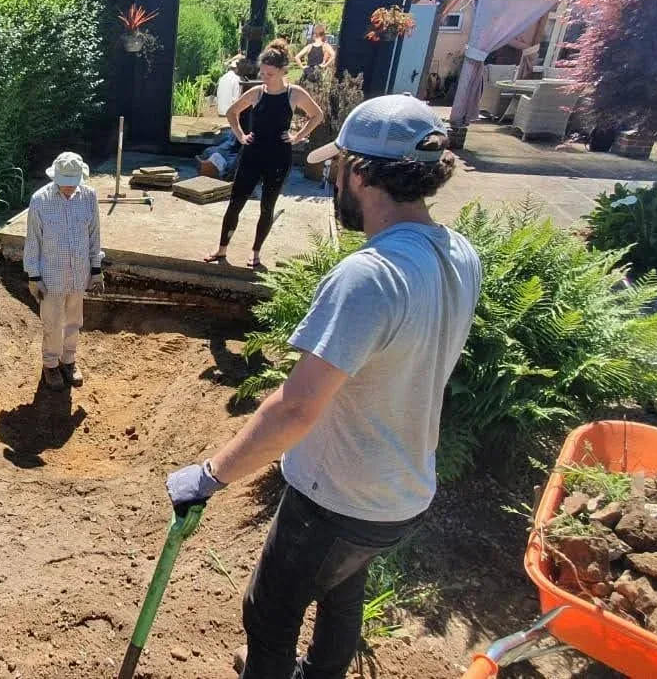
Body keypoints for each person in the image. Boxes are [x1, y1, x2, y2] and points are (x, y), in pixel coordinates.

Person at [167, 94, 483, 679]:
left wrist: (208, 476)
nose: (330, 177)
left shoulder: (371, 276)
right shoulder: (459, 254)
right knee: (342, 589)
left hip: (338, 495)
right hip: (402, 489)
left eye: (336, 166)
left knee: (269, 615)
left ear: (360, 173)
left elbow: (294, 409)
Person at [203, 47, 325, 270]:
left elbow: (317, 115)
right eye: (263, 73)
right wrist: (240, 136)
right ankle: (222, 249)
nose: (265, 78)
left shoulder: (294, 93)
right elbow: (232, 112)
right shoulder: (257, 93)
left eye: (270, 74)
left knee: (267, 207)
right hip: (252, 154)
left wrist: (298, 137)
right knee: (235, 203)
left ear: (282, 71)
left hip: (279, 158)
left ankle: (255, 253)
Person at [24, 151, 104, 391]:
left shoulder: (89, 197)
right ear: (55, 178)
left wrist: (96, 269)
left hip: (79, 275)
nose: (69, 188)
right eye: (64, 183)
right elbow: (33, 241)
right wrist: (33, 276)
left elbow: (94, 236)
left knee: (73, 322)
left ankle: (68, 361)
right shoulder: (40, 201)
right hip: (50, 278)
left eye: (73, 183)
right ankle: (50, 365)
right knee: (52, 323)